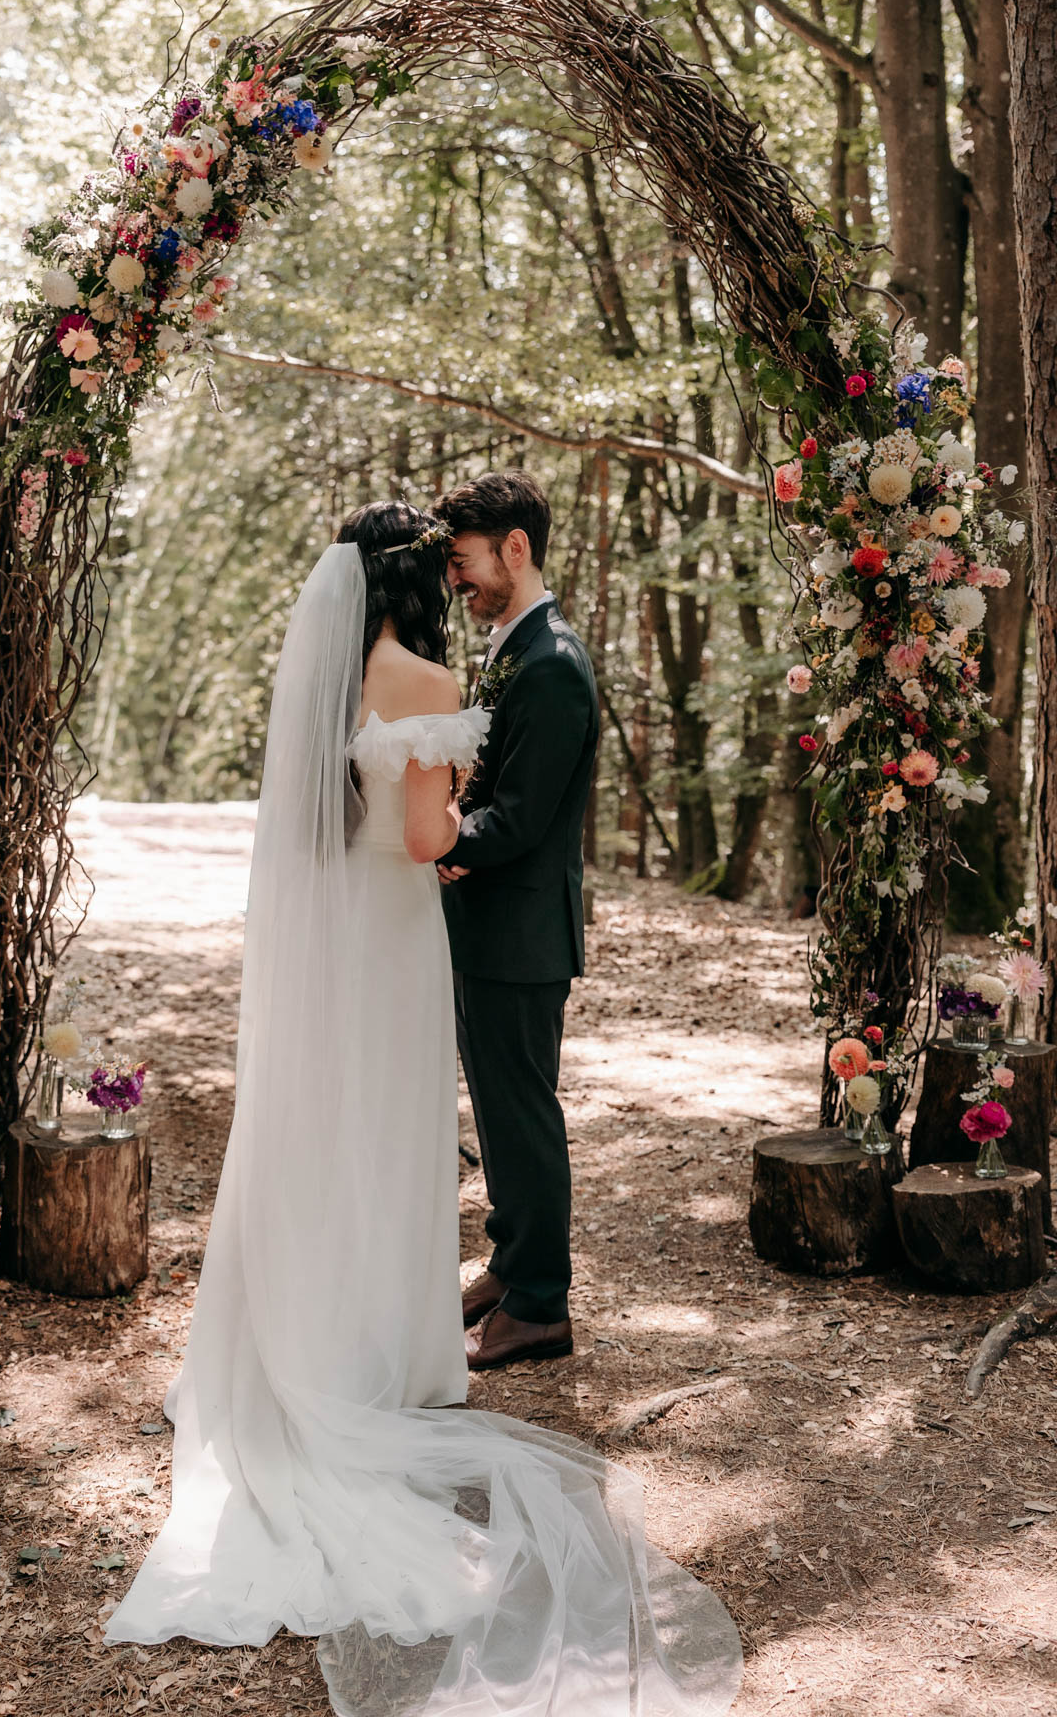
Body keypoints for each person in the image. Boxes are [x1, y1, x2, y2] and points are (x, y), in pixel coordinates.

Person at [105, 500, 742, 1717]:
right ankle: (398, 1344)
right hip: (401, 934)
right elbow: (420, 835)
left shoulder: (330, 680)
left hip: (340, 939)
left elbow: (347, 821)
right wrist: (446, 807)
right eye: (440, 568)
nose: (455, 582)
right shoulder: (430, 678)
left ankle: (326, 1329)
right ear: (414, 582)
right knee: (394, 1139)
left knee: (330, 1132)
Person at [433, 471, 598, 1370]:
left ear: (516, 548)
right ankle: (511, 1263)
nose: (456, 579)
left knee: (524, 1113)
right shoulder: (512, 648)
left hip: (522, 931)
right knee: (498, 1111)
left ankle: (540, 1304)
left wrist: (447, 839)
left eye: (464, 561)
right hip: (487, 922)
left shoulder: (554, 664)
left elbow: (525, 816)